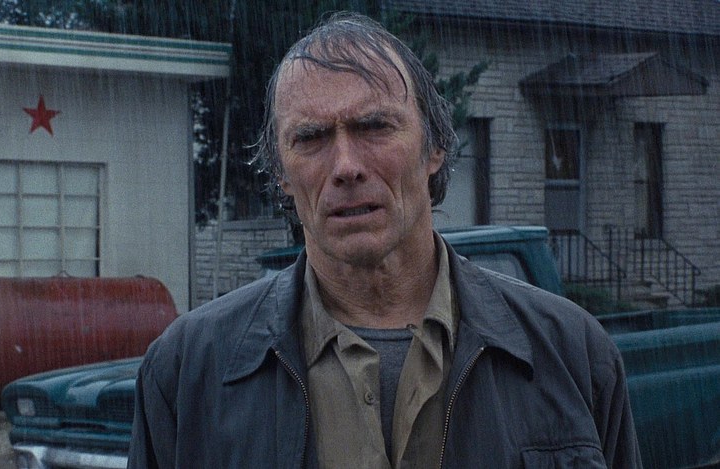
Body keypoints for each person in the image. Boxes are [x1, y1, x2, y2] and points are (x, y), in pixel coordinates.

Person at [128, 11, 641, 468]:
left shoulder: (573, 354)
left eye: (374, 127)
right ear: (280, 172)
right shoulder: (187, 371)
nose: (346, 166)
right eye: (311, 138)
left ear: (435, 147)